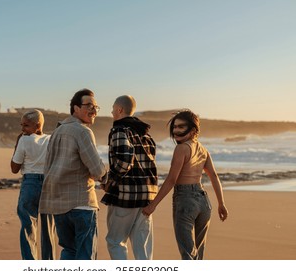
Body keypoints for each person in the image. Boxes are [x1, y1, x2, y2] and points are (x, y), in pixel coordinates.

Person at [142, 109, 229, 260]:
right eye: (175, 127)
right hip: (203, 201)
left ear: (193, 129)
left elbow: (171, 179)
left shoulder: (181, 148)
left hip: (185, 201)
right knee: (198, 254)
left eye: (181, 127)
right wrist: (221, 203)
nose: (176, 130)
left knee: (188, 255)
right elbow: (213, 176)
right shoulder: (203, 150)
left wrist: (153, 205)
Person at [39, 88, 107, 260]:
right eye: (89, 105)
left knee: (69, 251)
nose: (93, 110)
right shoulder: (82, 131)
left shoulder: (57, 131)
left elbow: (49, 165)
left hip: (58, 204)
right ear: (76, 108)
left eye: (96, 107)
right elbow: (97, 169)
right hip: (81, 202)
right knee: (85, 255)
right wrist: (106, 176)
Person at [100, 95, 158, 260]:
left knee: (116, 241)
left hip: (126, 195)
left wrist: (110, 182)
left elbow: (125, 161)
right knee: (143, 247)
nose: (111, 112)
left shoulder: (119, 130)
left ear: (119, 109)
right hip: (147, 196)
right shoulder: (146, 135)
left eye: (112, 109)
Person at [11, 109, 56, 260]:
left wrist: (17, 144)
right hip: (49, 184)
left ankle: (30, 264)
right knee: (48, 228)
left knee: (27, 226)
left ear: (38, 125)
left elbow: (14, 168)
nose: (23, 129)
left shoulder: (23, 140)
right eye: (21, 125)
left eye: (26, 125)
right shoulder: (51, 139)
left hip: (30, 183)